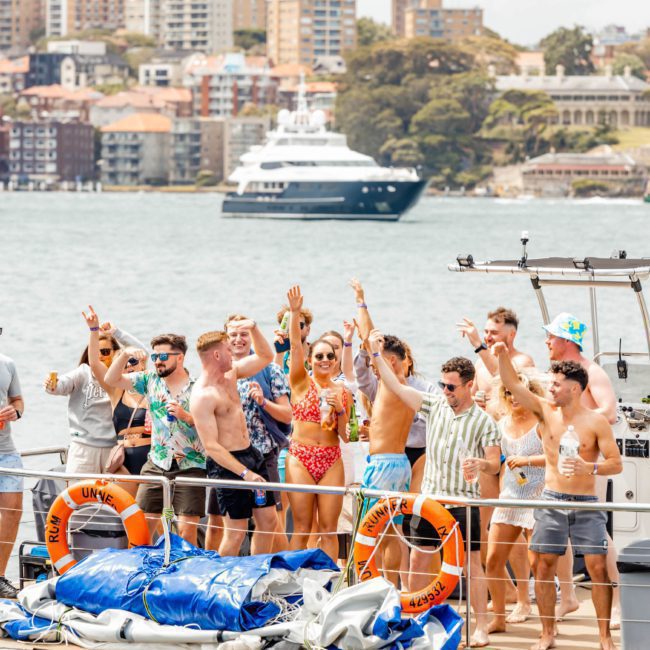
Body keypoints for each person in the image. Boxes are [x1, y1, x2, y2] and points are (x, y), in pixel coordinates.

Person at [369, 332, 500, 649]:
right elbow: (398, 387)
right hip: (429, 501)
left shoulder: (484, 422)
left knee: (472, 564)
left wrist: (480, 465)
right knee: (418, 563)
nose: (446, 391)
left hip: (462, 503)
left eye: (452, 387)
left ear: (469, 386)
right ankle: (418, 619)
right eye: (443, 384)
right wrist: (374, 354)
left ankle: (481, 625)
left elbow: (495, 464)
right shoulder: (434, 405)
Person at [495, 342, 622, 650]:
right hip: (550, 500)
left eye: (556, 385)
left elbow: (615, 464)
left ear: (575, 390)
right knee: (543, 566)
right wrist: (499, 353)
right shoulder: (544, 411)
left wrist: (588, 467)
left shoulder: (595, 421)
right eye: (550, 384)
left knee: (598, 569)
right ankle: (547, 633)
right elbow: (511, 383)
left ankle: (604, 638)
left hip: (585, 504)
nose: (550, 389)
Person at [351, 280, 431, 587]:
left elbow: (370, 339)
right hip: (399, 463)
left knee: (370, 532)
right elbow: (372, 337)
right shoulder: (408, 390)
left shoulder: (392, 385)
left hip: (384, 464)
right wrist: (361, 303)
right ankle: (391, 585)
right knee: (392, 533)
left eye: (380, 357)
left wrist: (361, 303)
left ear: (391, 361)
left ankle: (370, 586)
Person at [543, 312, 622, 625]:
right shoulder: (557, 375)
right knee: (559, 532)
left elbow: (611, 411)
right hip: (559, 464)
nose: (547, 341)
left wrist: (578, 417)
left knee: (597, 533)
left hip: (588, 462)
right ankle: (569, 597)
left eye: (551, 336)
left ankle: (616, 603)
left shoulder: (592, 372)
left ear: (566, 341)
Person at [105, 334, 205, 545]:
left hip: (190, 464)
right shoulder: (149, 380)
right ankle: (143, 572)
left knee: (186, 531)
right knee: (140, 528)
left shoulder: (198, 387)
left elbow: (211, 425)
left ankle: (185, 572)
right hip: (157, 463)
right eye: (154, 356)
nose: (157, 360)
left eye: (163, 356)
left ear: (180, 358)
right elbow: (111, 379)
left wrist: (186, 417)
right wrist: (124, 355)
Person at [204, 314, 291, 553]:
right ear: (224, 341)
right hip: (227, 459)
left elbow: (287, 415)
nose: (239, 339)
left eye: (244, 334)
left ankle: (263, 571)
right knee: (217, 523)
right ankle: (212, 573)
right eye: (233, 335)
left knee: (270, 521)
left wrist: (264, 403)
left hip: (262, 455)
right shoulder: (214, 376)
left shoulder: (269, 370)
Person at [190, 322, 277, 557]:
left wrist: (254, 328)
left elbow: (266, 355)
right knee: (236, 532)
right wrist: (245, 474)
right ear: (217, 354)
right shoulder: (202, 395)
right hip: (228, 465)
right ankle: (220, 582)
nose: (234, 353)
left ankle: (258, 571)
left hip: (252, 453)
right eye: (229, 350)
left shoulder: (232, 373)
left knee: (269, 522)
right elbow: (212, 447)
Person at [458, 307, 535, 571]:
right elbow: (481, 396)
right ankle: (505, 588)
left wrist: (478, 345)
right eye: (486, 332)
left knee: (518, 520)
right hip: (490, 446)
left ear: (511, 334)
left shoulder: (524, 362)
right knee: (485, 519)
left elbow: (508, 380)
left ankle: (530, 588)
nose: (488, 337)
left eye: (494, 333)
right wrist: (478, 401)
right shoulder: (480, 363)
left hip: (516, 448)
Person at [284, 285, 350, 562]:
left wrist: (341, 410)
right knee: (302, 526)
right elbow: (295, 346)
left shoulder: (341, 390)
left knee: (328, 529)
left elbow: (346, 435)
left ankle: (328, 581)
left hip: (331, 457)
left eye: (330, 356)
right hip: (301, 456)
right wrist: (295, 313)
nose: (325, 360)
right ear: (311, 360)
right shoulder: (301, 382)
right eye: (319, 356)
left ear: (336, 362)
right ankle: (290, 581)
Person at [485, 373, 546, 634]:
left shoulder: (542, 422)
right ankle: (499, 617)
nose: (513, 397)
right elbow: (497, 460)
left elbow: (556, 457)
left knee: (539, 564)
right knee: (493, 560)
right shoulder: (501, 422)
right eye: (508, 393)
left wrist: (527, 461)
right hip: (511, 494)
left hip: (538, 495)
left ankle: (546, 623)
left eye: (518, 392)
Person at [45, 317, 145, 474]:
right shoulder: (82, 373)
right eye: (96, 351)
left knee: (111, 497)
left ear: (115, 353)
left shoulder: (120, 381)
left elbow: (143, 356)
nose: (100, 356)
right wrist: (53, 385)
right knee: (80, 496)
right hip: (84, 448)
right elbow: (61, 385)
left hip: (112, 450)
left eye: (105, 352)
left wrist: (117, 333)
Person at [81, 306, 150, 495]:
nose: (128, 366)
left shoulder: (153, 387)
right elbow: (94, 362)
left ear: (143, 364)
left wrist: (118, 333)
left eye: (133, 362)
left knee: (155, 515)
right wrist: (94, 330)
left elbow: (145, 352)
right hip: (123, 459)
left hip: (152, 457)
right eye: (123, 363)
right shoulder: (116, 391)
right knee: (126, 515)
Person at [0, 342, 24, 599]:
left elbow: (18, 400)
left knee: (13, 511)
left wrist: (15, 411)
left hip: (6, 451)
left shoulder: (7, 363)